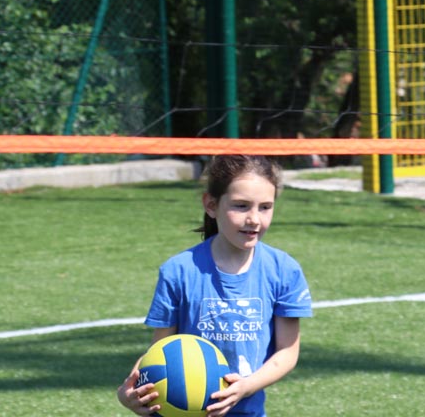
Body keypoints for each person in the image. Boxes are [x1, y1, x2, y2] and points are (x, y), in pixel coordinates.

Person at [117, 154, 313, 416]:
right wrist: (130, 391)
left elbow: (287, 351)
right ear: (211, 205)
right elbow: (160, 351)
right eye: (241, 206)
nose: (254, 219)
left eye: (265, 207)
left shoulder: (284, 270)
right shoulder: (179, 271)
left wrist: (246, 387)